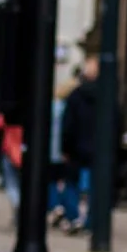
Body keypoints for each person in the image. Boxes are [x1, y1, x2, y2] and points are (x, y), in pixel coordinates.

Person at [53, 57, 102, 232]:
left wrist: (65, 147)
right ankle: (90, 220)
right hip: (98, 147)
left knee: (71, 183)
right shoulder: (107, 96)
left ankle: (73, 216)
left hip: (76, 147)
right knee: (97, 185)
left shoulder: (76, 95)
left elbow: (68, 124)